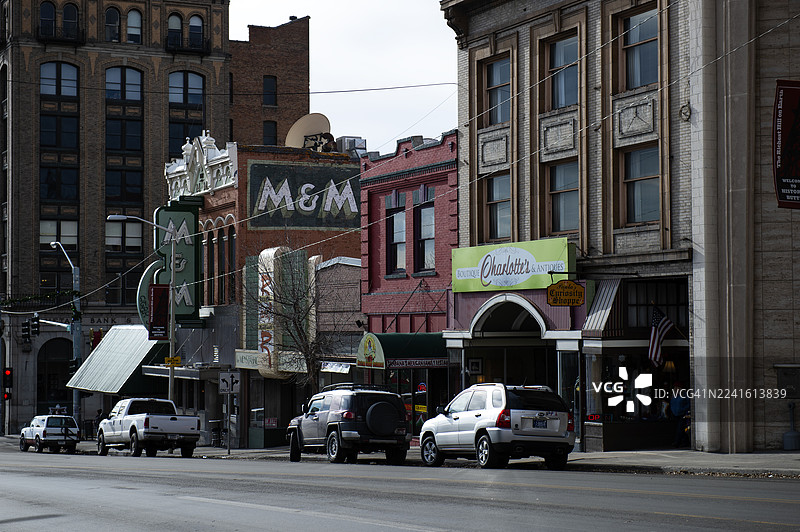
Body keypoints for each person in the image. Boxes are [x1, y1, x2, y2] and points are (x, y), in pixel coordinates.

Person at [669, 382, 690, 447]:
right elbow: (672, 404)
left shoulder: (685, 395)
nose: (676, 389)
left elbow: (689, 403)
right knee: (680, 429)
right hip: (675, 415)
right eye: (675, 388)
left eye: (677, 388)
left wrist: (684, 409)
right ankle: (684, 442)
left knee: (680, 429)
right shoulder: (674, 396)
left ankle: (677, 442)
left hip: (683, 414)